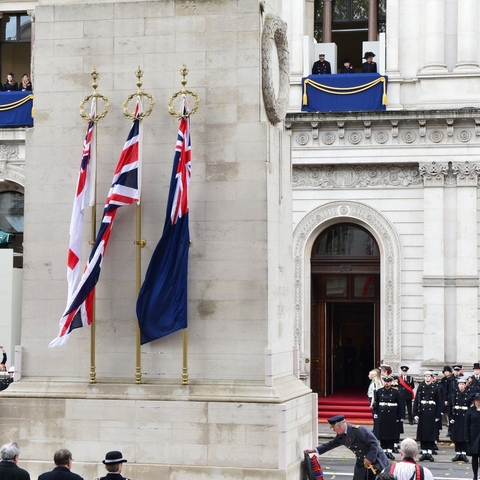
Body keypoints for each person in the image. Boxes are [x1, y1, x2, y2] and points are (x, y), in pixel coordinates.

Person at [304, 414, 390, 480]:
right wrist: (315, 450)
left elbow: (374, 443)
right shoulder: (341, 436)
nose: (333, 430)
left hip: (375, 459)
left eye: (334, 428)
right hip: (362, 462)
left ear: (340, 426)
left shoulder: (358, 430)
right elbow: (330, 444)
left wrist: (370, 458)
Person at [413, 371, 442, 461]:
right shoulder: (421, 387)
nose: (427, 378)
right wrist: (415, 413)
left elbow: (439, 402)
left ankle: (429, 452)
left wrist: (437, 415)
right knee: (423, 433)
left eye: (429, 376)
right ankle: (424, 452)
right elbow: (417, 400)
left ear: (432, 377)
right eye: (426, 376)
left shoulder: (435, 388)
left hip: (431, 412)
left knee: (430, 433)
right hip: (422, 412)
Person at [373, 375, 403, 459]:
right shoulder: (379, 391)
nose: (387, 383)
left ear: (391, 382)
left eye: (389, 382)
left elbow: (400, 405)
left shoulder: (395, 392)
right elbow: (376, 403)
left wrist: (399, 416)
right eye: (386, 382)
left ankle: (389, 451)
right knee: (382, 433)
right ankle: (383, 451)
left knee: (391, 433)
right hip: (382, 415)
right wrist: (375, 413)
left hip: (392, 415)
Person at [449, 376, 470, 462]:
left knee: (464, 435)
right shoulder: (454, 394)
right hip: (456, 416)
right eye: (460, 384)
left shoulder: (468, 394)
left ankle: (464, 453)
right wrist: (451, 417)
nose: (461, 386)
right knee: (457, 435)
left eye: (462, 384)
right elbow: (450, 406)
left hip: (465, 416)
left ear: (465, 385)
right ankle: (458, 453)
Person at [466, 393, 480, 480]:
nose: (478, 402)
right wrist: (467, 437)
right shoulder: (470, 411)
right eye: (477, 400)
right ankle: (475, 475)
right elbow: (466, 425)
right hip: (473, 436)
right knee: (475, 457)